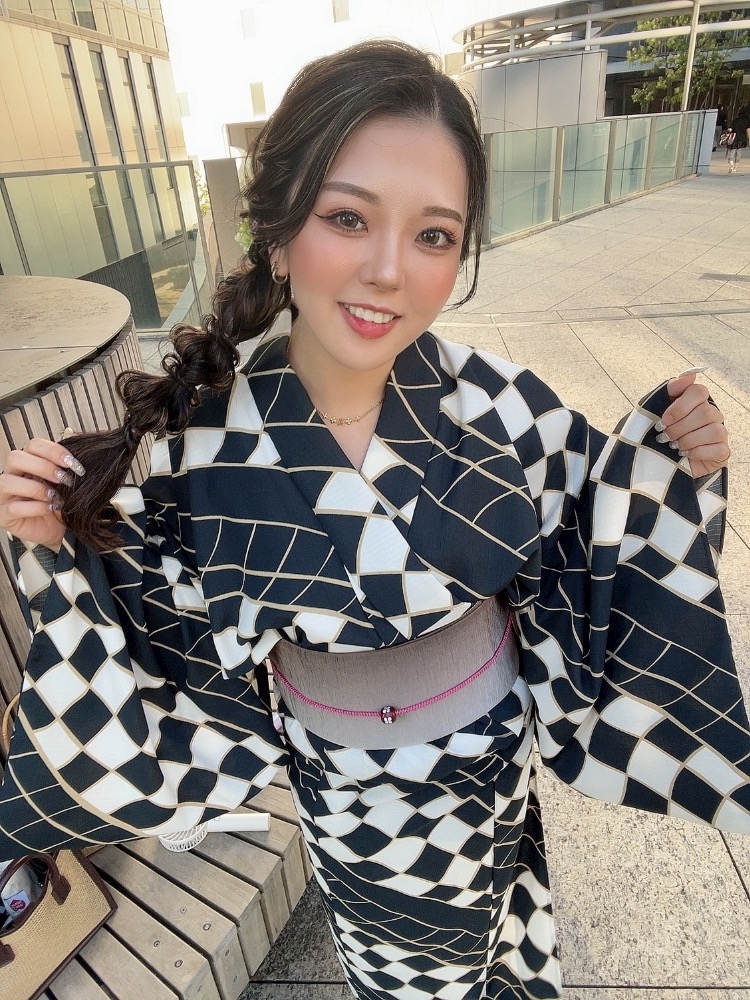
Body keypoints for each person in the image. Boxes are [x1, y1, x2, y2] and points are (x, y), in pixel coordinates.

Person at [0, 41, 745, 1000]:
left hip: (487, 765)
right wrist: (59, 546)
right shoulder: (208, 439)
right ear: (276, 234)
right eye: (347, 217)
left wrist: (673, 461)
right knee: (394, 970)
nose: (389, 270)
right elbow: (161, 636)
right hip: (344, 791)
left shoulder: (499, 402)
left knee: (496, 935)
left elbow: (599, 535)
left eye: (434, 235)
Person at [727, 104, 750, 172]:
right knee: (739, 152)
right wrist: (749, 139)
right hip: (742, 138)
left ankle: (731, 165)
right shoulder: (747, 121)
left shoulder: (735, 120)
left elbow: (730, 129)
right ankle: (735, 167)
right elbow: (748, 130)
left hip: (734, 137)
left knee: (732, 151)